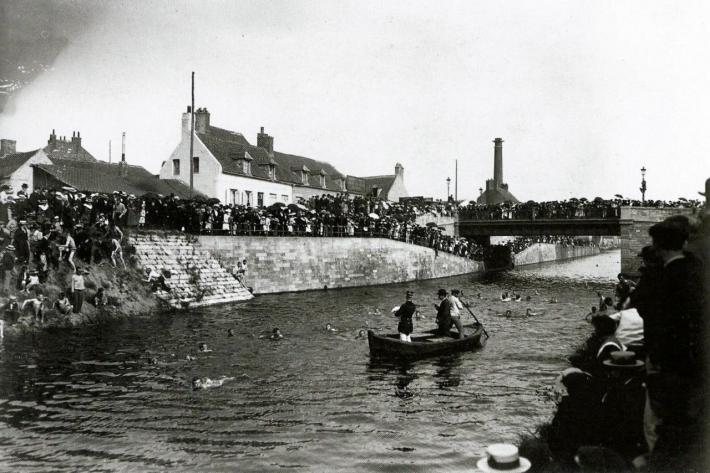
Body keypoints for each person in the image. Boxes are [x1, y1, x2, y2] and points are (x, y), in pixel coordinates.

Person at [641, 217, 704, 470]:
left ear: (657, 245)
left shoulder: (664, 278)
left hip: (666, 360)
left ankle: (659, 462)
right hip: (692, 358)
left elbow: (652, 315)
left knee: (657, 420)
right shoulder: (695, 270)